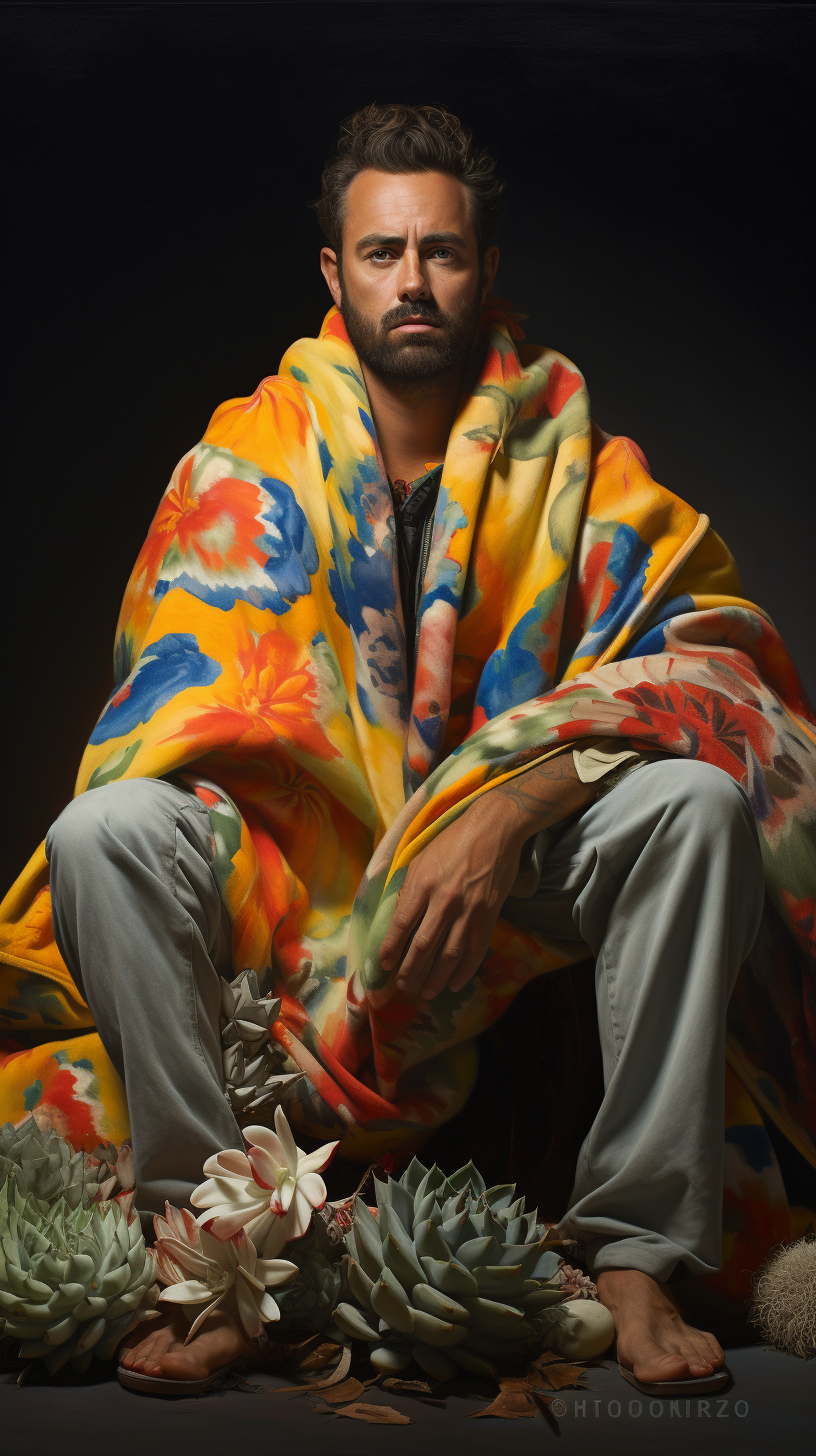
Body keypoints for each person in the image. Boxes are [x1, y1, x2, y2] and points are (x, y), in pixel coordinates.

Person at [1, 103, 814, 1395]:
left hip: (511, 882)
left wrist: (504, 808)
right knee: (103, 836)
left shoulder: (577, 464)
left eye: (442, 253)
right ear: (335, 273)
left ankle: (635, 1250)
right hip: (292, 882)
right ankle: (213, 1237)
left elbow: (715, 655)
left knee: (696, 810)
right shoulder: (242, 461)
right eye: (384, 254)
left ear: (486, 270)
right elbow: (175, 710)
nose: (415, 282)